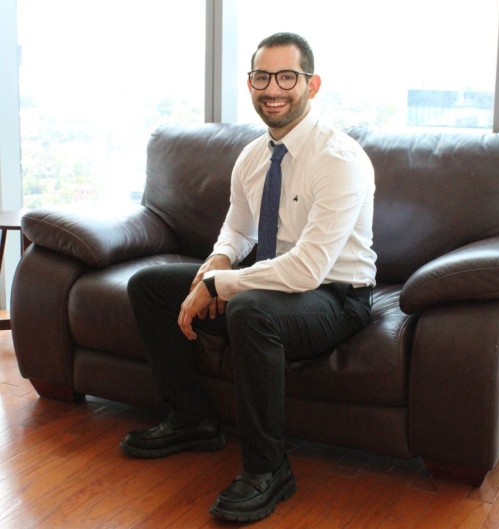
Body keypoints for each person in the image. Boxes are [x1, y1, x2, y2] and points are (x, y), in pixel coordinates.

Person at [121, 32, 377, 523]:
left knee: (248, 308)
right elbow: (238, 229)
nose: (272, 88)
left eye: (286, 77)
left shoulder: (339, 159)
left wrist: (220, 286)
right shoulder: (254, 155)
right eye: (262, 77)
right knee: (150, 286)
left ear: (312, 85)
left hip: (336, 297)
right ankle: (192, 420)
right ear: (250, 84)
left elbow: (308, 269)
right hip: (272, 284)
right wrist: (217, 262)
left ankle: (268, 468)